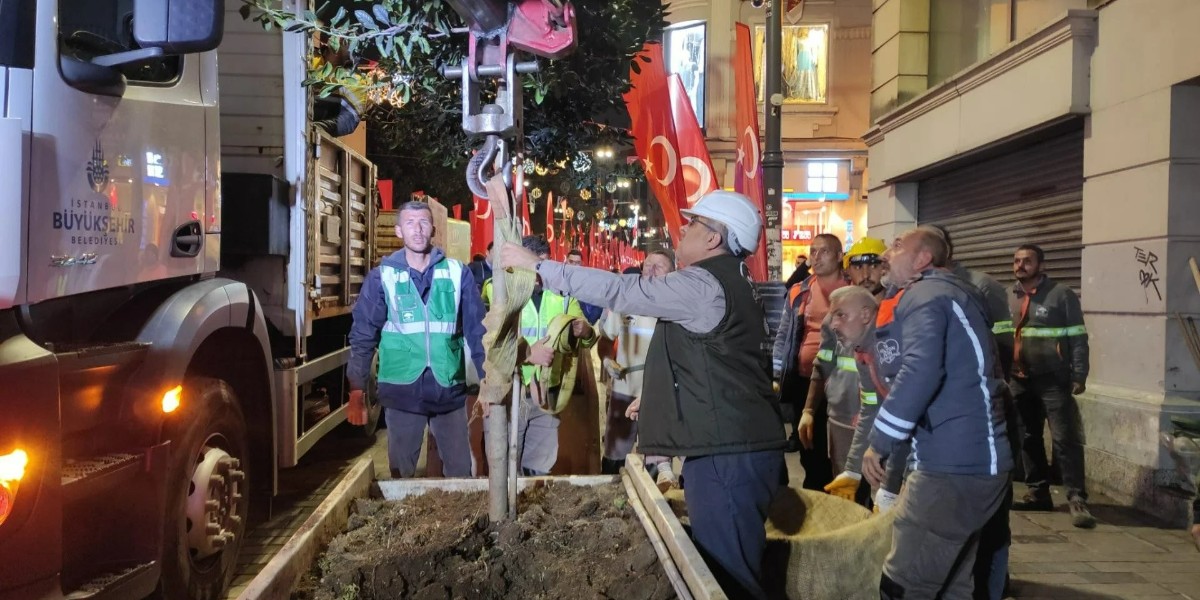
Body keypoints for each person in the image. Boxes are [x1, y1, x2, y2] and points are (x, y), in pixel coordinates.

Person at [499, 190, 786, 599]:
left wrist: (541, 267)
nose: (682, 229)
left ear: (713, 239)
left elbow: (621, 290)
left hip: (727, 453)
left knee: (728, 578)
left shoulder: (703, 283)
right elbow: (720, 364)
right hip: (737, 445)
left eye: (693, 224)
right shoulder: (732, 281)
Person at [862, 227, 1013, 599]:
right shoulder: (953, 294)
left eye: (897, 246)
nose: (886, 254)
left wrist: (878, 443)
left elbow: (920, 371)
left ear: (923, 259)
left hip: (951, 468)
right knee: (952, 584)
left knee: (903, 584)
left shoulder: (925, 294)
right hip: (975, 463)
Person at [347, 201, 486, 478]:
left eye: (423, 222)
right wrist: (357, 389)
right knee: (401, 477)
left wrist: (488, 381)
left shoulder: (458, 273)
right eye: (410, 223)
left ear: (433, 229)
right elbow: (363, 336)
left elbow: (479, 331)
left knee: (460, 473)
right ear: (399, 231)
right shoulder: (382, 277)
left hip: (448, 388)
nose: (417, 229)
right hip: (402, 392)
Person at [483, 236, 596, 475]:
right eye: (532, 265)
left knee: (539, 465)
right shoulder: (500, 290)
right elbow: (491, 342)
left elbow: (585, 335)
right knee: (505, 462)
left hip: (548, 392)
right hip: (511, 390)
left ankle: (529, 506)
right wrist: (527, 354)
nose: (538, 273)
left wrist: (584, 331)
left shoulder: (563, 294)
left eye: (541, 265)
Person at [1008, 243, 1094, 528]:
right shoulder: (1010, 296)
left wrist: (1079, 374)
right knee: (1028, 437)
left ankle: (1076, 497)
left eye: (1027, 261)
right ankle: (1038, 492)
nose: (1021, 265)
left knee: (1064, 438)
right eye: (1017, 261)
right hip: (1019, 379)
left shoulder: (1061, 295)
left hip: (1053, 380)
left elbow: (1078, 337)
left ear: (1041, 265)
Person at [598, 251, 679, 490]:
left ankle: (655, 505)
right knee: (615, 451)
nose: (652, 270)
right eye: (648, 265)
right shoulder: (625, 303)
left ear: (672, 273)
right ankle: (612, 497)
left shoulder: (676, 308)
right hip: (624, 390)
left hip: (658, 394)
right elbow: (604, 339)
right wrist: (606, 360)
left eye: (660, 266)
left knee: (657, 454)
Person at [773, 233, 847, 492]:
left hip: (843, 381)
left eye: (823, 251)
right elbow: (784, 333)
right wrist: (778, 371)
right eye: (813, 251)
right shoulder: (799, 290)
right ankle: (818, 493)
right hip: (804, 378)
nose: (816, 256)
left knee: (844, 446)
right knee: (809, 445)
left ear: (840, 256)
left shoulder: (855, 289)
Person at [566, 248, 604, 324]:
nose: (574, 265)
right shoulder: (559, 282)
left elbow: (597, 306)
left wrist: (588, 325)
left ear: (581, 264)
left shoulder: (589, 284)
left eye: (577, 262)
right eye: (571, 262)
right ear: (566, 262)